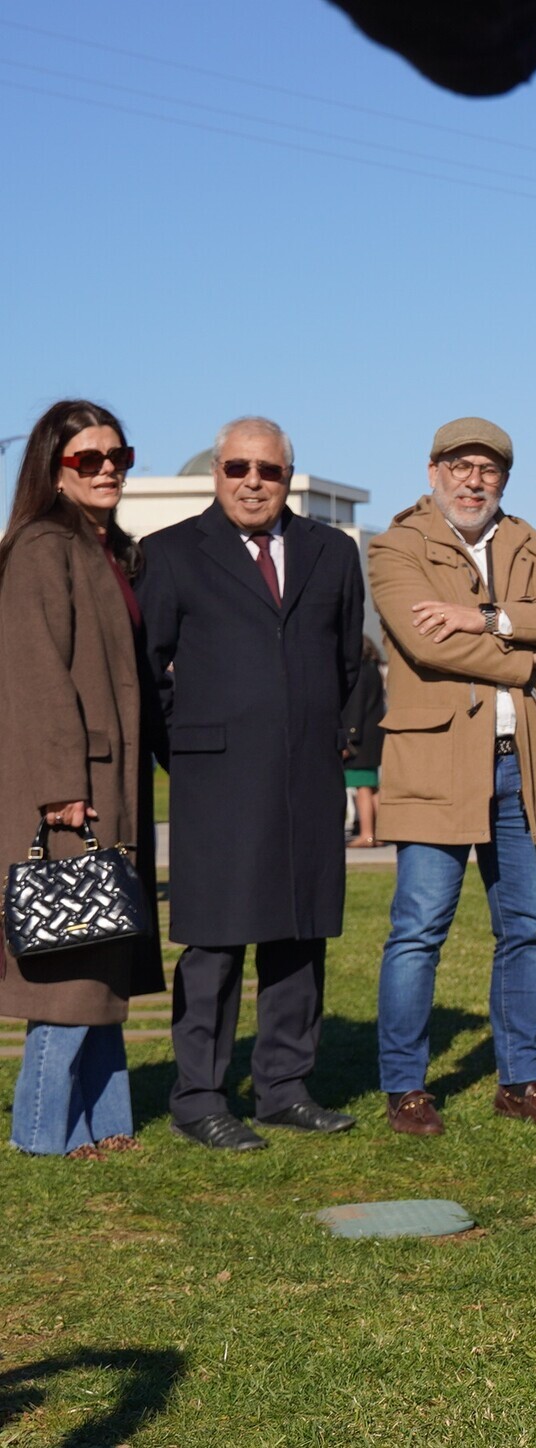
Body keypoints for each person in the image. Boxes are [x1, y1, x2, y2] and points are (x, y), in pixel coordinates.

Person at [139, 417, 365, 1150]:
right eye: (238, 467)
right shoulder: (170, 553)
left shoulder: (331, 551)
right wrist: (186, 749)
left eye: (268, 470)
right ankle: (199, 1098)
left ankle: (284, 1089)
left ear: (287, 477)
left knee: (299, 934)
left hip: (308, 773)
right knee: (215, 942)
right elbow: (148, 673)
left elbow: (349, 663)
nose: (252, 482)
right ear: (217, 472)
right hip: (215, 780)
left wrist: (332, 739)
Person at [368, 417, 536, 1135]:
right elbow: (424, 643)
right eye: (460, 467)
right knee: (419, 929)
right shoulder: (396, 546)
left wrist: (488, 618)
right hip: (435, 760)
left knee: (527, 927)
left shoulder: (528, 543)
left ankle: (520, 1080)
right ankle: (406, 1088)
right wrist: (526, 654)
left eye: (488, 470)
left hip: (522, 762)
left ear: (503, 479)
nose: (474, 481)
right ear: (433, 471)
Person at [0, 400, 164, 1158]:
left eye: (117, 457)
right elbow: (36, 674)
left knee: (103, 946)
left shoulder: (107, 548)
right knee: (69, 963)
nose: (106, 471)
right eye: (87, 459)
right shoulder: (43, 546)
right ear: (55, 470)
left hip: (110, 781)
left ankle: (108, 1125)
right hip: (71, 789)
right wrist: (61, 784)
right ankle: (41, 1133)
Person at [342, 636, 387, 847]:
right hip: (374, 734)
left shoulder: (359, 671)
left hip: (359, 737)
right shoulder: (374, 669)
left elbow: (355, 705)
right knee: (371, 786)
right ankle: (380, 832)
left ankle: (367, 834)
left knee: (363, 787)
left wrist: (349, 737)